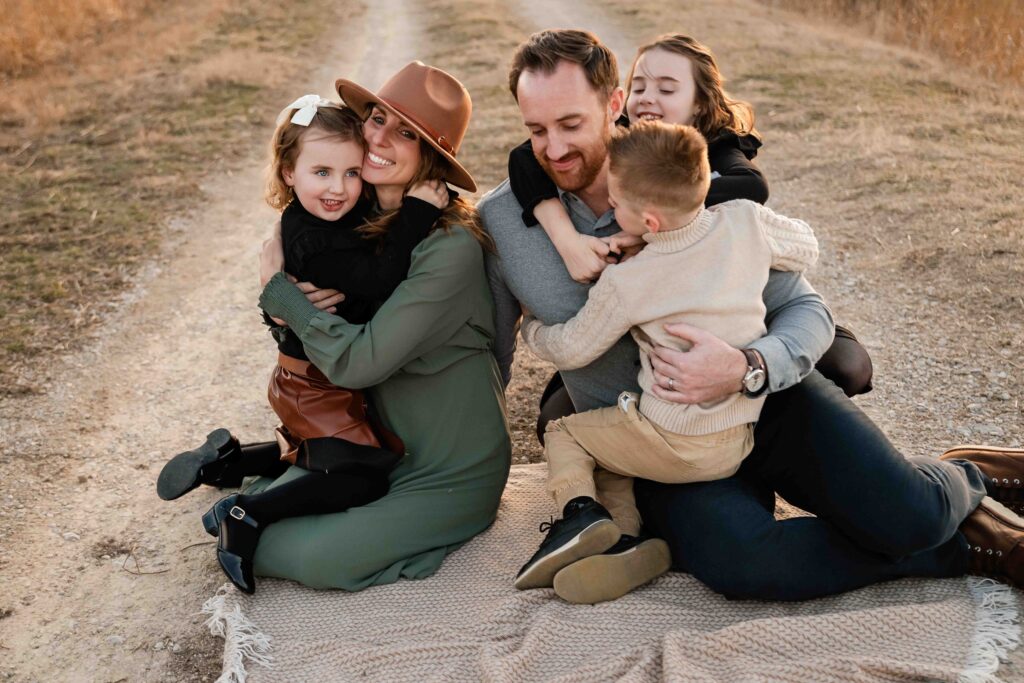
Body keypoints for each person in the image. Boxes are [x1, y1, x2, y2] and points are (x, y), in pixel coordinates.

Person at [478, 28, 1024, 602]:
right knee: (742, 563)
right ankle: (969, 544)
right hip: (661, 446)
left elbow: (806, 307)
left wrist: (747, 366)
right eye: (535, 131)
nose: (554, 149)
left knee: (907, 512)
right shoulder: (504, 220)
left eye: (570, 125)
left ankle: (965, 477)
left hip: (768, 400)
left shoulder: (682, 176)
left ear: (614, 105)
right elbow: (492, 355)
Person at [159, 61, 511, 593]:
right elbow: (312, 276)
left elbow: (357, 361)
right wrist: (284, 292)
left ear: (432, 156)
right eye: (376, 118)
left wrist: (280, 293)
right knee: (288, 505)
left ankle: (264, 483)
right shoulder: (363, 211)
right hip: (376, 443)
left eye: (406, 132)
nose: (379, 138)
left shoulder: (449, 247)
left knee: (303, 552)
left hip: (448, 468)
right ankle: (259, 475)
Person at [511, 34, 871, 445]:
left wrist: (667, 212)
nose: (648, 98)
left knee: (844, 364)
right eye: (640, 86)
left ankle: (772, 429)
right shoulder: (629, 144)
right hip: (641, 340)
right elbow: (524, 156)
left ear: (699, 104)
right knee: (556, 423)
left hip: (738, 315)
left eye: (666, 89)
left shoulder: (718, 158)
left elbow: (753, 187)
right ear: (619, 101)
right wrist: (565, 237)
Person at [514, 121, 818, 604]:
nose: (611, 210)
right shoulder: (744, 220)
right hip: (739, 437)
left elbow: (573, 348)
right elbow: (806, 246)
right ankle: (622, 540)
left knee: (568, 433)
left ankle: (577, 512)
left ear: (649, 222)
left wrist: (530, 327)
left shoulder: (630, 280)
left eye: (616, 204)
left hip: (674, 439)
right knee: (611, 455)